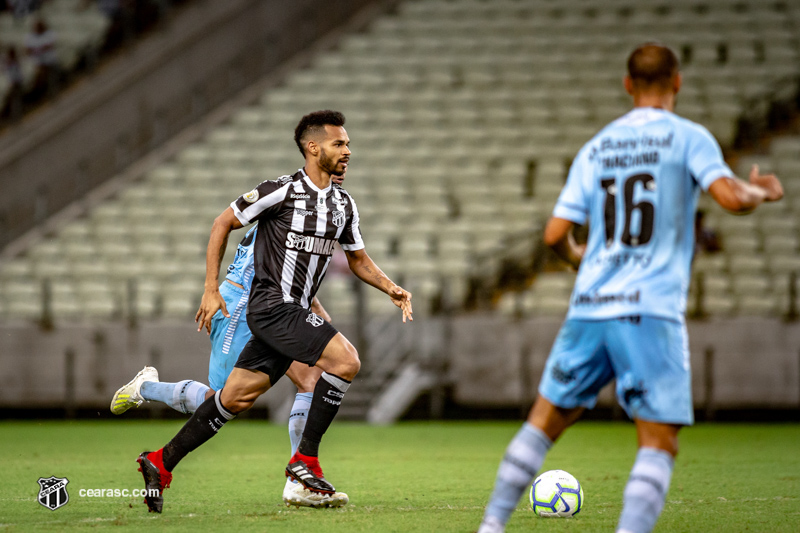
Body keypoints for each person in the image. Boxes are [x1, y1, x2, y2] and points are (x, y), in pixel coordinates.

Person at [478, 43, 783, 533]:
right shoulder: (688, 137)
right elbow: (730, 197)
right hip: (649, 309)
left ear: (627, 84)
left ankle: (491, 525)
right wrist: (762, 191)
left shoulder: (598, 145)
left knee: (540, 426)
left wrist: (580, 261)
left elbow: (555, 234)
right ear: (677, 82)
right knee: (657, 442)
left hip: (590, 305)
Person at [133, 109, 413, 513]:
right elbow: (221, 224)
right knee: (346, 361)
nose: (348, 150)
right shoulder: (280, 190)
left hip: (290, 312)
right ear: (313, 147)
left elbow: (358, 259)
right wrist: (211, 290)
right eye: (339, 143)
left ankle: (161, 462)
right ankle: (304, 462)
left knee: (234, 398)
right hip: (270, 308)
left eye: (348, 143)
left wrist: (391, 288)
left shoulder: (343, 205)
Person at [111, 220, 349, 508]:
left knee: (310, 380)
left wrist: (312, 304)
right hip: (241, 307)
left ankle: (299, 482)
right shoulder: (289, 211)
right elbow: (271, 264)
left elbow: (288, 272)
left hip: (274, 308)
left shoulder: (290, 211)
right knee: (220, 402)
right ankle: (145, 388)